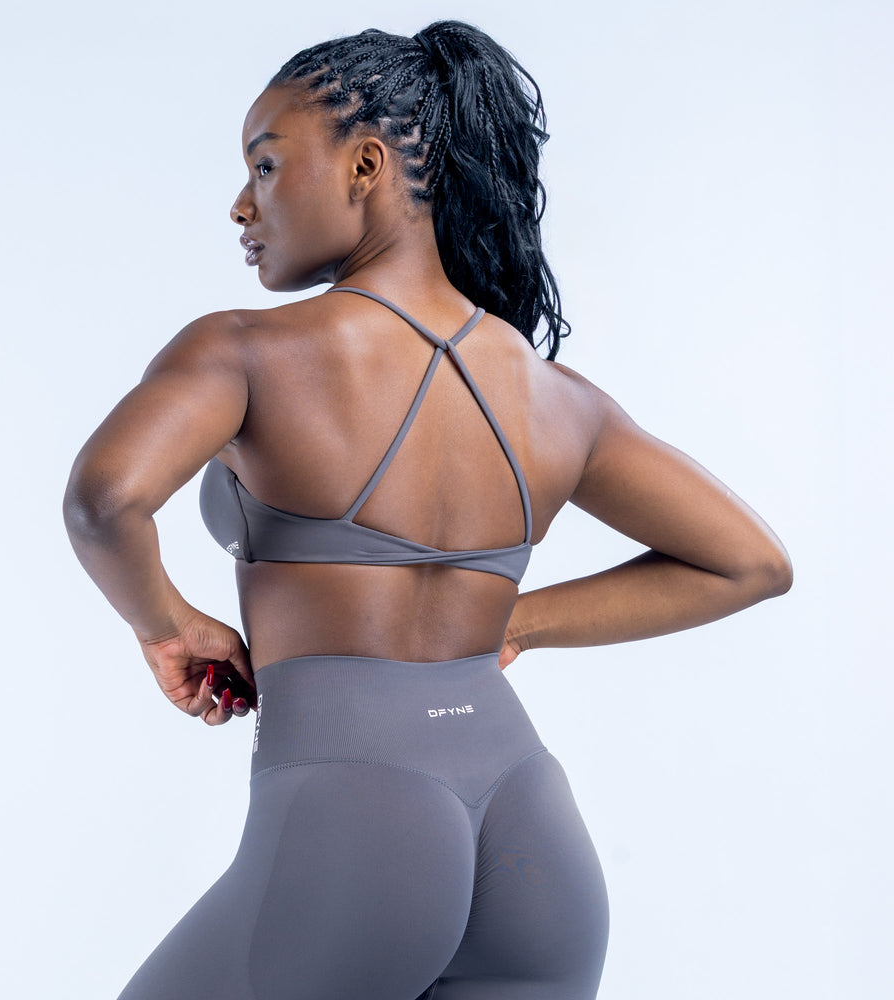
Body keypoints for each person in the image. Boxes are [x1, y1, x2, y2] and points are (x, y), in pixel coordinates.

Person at [63, 20, 792, 1000]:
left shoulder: (243, 352)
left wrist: (166, 626)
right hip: (532, 837)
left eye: (265, 165)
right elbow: (751, 562)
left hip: (358, 827)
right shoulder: (555, 398)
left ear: (365, 165)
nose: (241, 203)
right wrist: (514, 621)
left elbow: (104, 499)